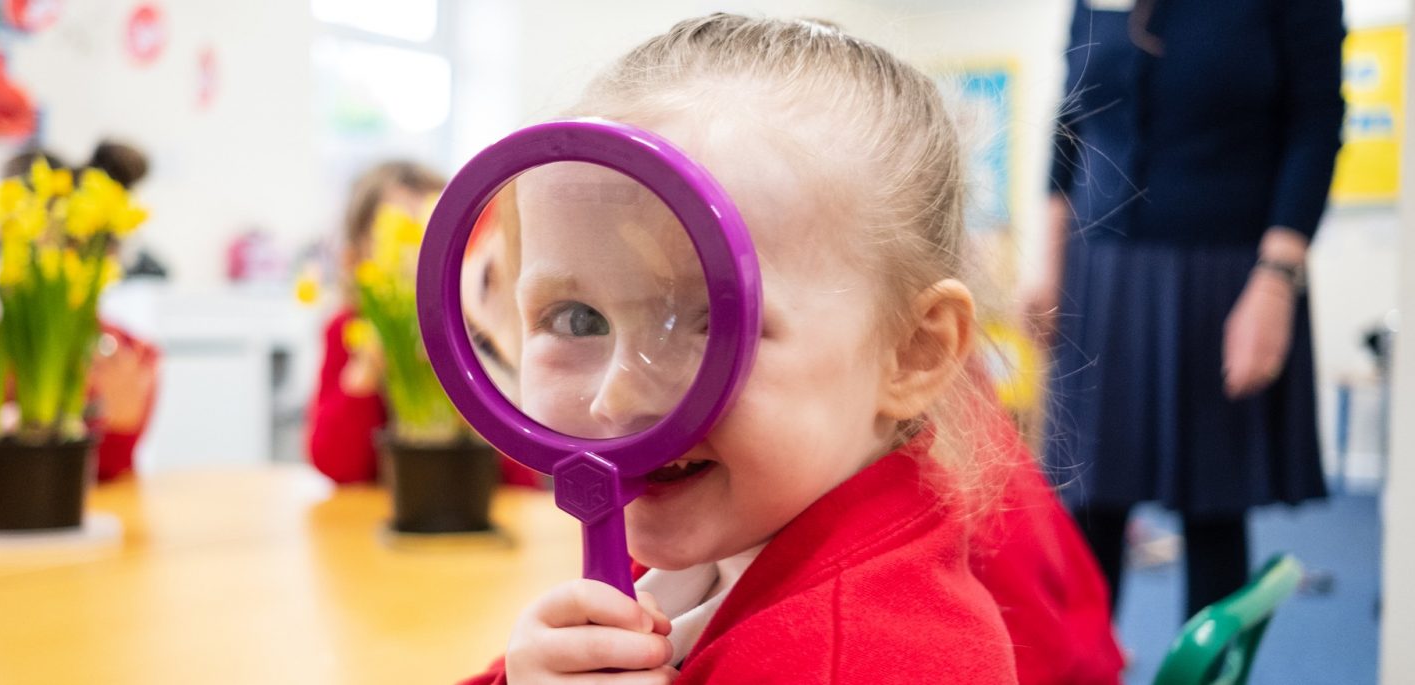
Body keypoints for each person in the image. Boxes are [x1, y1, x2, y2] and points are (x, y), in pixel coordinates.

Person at [461, 15, 1024, 682]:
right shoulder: (720, 545)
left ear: (913, 351)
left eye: (710, 321)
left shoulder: (864, 658)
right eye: (578, 318)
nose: (618, 393)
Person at [1028, 0, 1344, 619]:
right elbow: (1070, 119)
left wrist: (1276, 281)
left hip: (1223, 278)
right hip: (1101, 275)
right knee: (1088, 509)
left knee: (1213, 516)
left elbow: (1315, 123)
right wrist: (1047, 262)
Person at [0, 142, 160, 481]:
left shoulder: (129, 357)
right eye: (11, 247)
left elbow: (110, 472)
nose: (32, 268)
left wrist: (119, 426)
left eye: (55, 248)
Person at [307, 161, 538, 487]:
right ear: (355, 255)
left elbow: (521, 477)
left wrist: (469, 391)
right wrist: (362, 376)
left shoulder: (476, 328)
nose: (418, 252)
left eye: (432, 230)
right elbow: (334, 465)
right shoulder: (349, 330)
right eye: (398, 233)